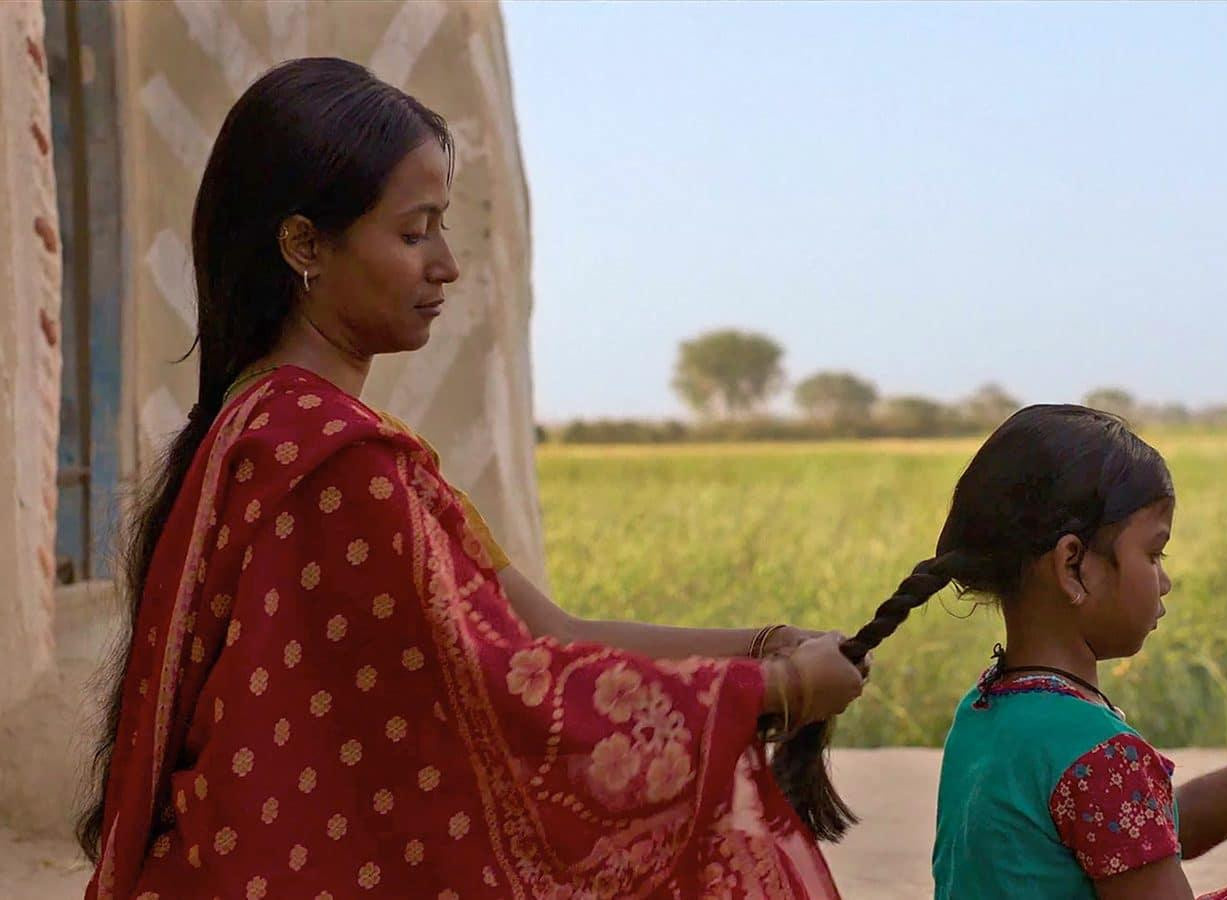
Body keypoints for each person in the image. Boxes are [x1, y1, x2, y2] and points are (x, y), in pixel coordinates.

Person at [80, 57, 863, 899]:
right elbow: (500, 704)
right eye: (415, 232)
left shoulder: (270, 424)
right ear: (305, 244)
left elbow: (545, 635)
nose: (446, 264)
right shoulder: (334, 460)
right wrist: (770, 692)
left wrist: (762, 648)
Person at [777, 405, 1227, 899]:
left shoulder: (991, 709)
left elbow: (1155, 829)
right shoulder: (1096, 753)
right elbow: (1140, 824)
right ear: (1074, 565)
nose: (1164, 578)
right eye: (1154, 552)